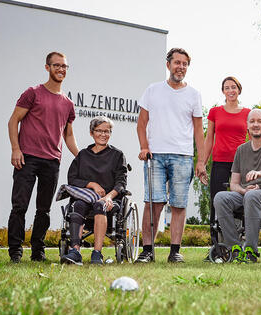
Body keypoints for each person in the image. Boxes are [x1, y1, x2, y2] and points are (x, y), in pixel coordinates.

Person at [136, 48, 207, 263]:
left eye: (185, 64)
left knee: (178, 204)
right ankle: (148, 251)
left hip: (183, 157)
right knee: (153, 203)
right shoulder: (152, 90)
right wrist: (144, 146)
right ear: (168, 65)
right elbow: (141, 124)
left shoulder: (194, 94)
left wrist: (201, 161)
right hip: (155, 156)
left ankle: (175, 251)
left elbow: (198, 131)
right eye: (177, 62)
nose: (181, 67)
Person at [7, 51, 79, 263]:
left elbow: (68, 135)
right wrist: (15, 149)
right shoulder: (33, 93)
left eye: (64, 66)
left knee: (44, 210)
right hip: (27, 157)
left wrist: (82, 157)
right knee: (19, 206)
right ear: (47, 67)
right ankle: (15, 252)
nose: (61, 69)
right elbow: (13, 121)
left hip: (52, 161)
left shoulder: (68, 103)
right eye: (56, 65)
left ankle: (38, 251)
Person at [213, 109, 261, 263]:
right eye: (252, 121)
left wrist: (260, 173)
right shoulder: (241, 150)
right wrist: (243, 190)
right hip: (246, 193)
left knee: (253, 195)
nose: (256, 124)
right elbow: (234, 183)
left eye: (259, 121)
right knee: (220, 197)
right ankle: (234, 248)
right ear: (247, 125)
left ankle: (251, 250)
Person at [60, 116, 127, 265]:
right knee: (77, 205)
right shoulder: (83, 155)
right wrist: (92, 184)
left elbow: (121, 183)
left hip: (109, 201)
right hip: (85, 199)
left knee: (99, 205)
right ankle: (75, 251)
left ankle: (97, 254)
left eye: (107, 131)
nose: (103, 134)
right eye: (99, 131)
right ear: (91, 133)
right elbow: (72, 179)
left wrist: (108, 197)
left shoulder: (117, 155)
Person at [198, 77, 250, 258]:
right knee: (216, 203)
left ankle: (236, 244)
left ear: (239, 90)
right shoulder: (215, 112)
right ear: (223, 91)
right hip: (220, 161)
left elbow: (252, 142)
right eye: (227, 88)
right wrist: (202, 163)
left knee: (240, 202)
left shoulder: (248, 113)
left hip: (241, 164)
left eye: (233, 87)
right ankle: (217, 248)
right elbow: (208, 138)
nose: (230, 90)